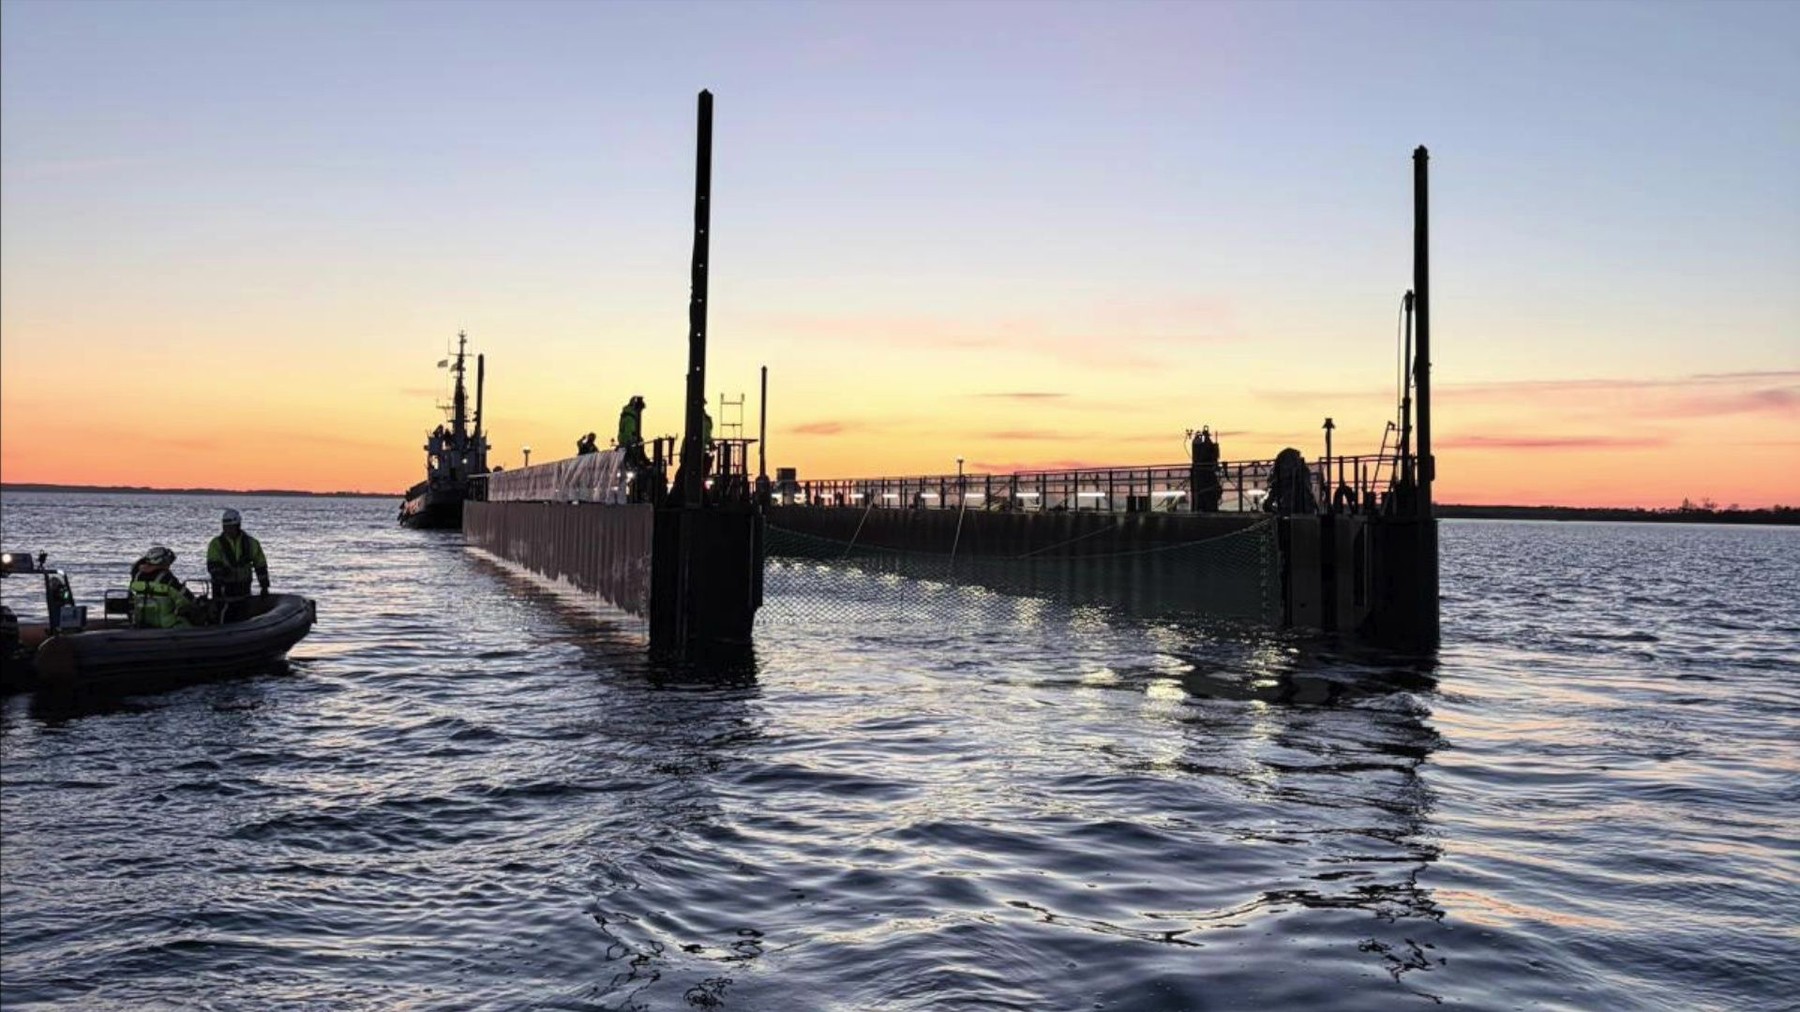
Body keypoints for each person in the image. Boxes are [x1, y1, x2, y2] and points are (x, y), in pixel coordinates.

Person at [207, 508, 270, 617]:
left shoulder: (251, 543)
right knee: (223, 617)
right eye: (225, 527)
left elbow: (260, 566)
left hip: (243, 590)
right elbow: (212, 564)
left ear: (238, 525)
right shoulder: (216, 544)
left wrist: (264, 586)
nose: (228, 530)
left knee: (244, 616)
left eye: (231, 527)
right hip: (223, 592)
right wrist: (221, 572)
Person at [129, 546, 202, 628]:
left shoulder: (138, 576)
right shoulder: (167, 578)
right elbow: (185, 598)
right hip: (166, 623)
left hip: (141, 621)